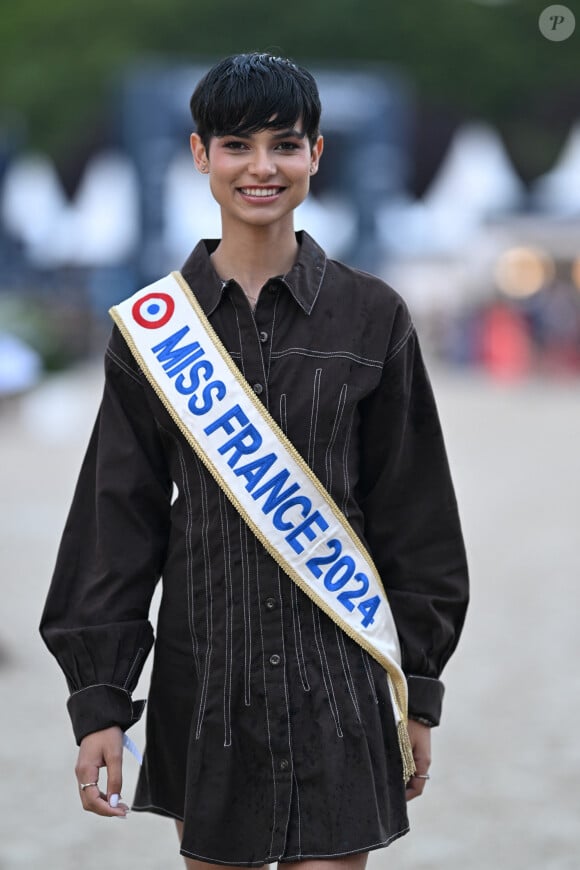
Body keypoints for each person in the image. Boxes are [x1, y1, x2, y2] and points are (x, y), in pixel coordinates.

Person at [40, 52, 469, 870]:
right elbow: (115, 523)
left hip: (340, 680)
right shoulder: (153, 331)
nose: (261, 167)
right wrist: (98, 701)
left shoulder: (374, 316)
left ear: (317, 155)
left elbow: (416, 514)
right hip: (208, 686)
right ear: (200, 155)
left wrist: (420, 688)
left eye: (285, 144)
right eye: (237, 145)